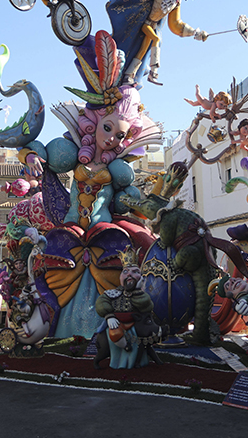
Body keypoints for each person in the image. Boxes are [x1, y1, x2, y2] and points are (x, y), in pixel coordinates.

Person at [18, 32, 158, 337]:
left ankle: (120, 324)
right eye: (108, 129)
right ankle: (50, 322)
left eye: (120, 136)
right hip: (71, 227)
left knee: (136, 247)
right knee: (52, 258)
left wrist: (134, 202)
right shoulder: (68, 153)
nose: (112, 138)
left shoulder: (117, 167)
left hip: (104, 230)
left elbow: (126, 198)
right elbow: (36, 148)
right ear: (94, 124)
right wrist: (29, 156)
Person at [94, 246, 159, 369]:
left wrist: (138, 289)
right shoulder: (113, 293)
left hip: (137, 328)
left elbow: (145, 305)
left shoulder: (143, 295)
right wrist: (109, 316)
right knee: (111, 334)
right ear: (120, 277)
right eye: (125, 272)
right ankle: (118, 361)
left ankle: (138, 362)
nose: (129, 275)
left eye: (135, 272)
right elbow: (101, 302)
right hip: (116, 326)